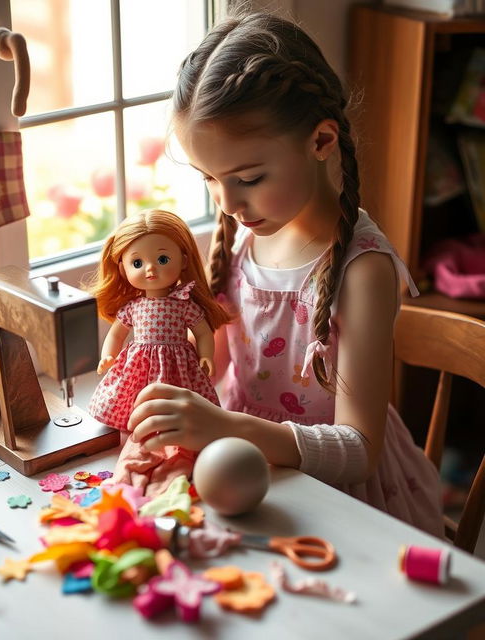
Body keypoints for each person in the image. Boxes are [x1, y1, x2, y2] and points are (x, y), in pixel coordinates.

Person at [126, 11, 444, 535]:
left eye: (248, 177)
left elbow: (360, 451)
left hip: (338, 495)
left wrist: (225, 427)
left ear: (321, 142)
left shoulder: (361, 270)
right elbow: (218, 371)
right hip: (242, 470)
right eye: (210, 179)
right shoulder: (247, 236)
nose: (227, 202)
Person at [86, 208, 231, 494]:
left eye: (162, 259)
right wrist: (108, 355)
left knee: (175, 404)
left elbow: (203, 331)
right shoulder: (134, 307)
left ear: (184, 259)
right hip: (139, 363)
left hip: (177, 365)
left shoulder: (183, 303)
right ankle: (140, 441)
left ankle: (172, 445)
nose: (150, 269)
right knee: (135, 399)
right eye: (137, 262)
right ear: (122, 268)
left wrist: (205, 355)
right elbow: (117, 333)